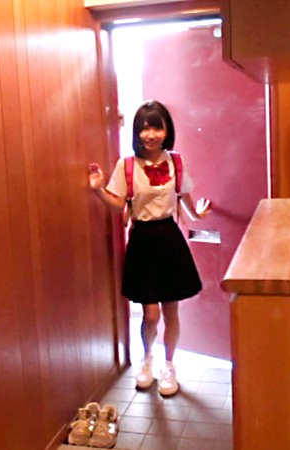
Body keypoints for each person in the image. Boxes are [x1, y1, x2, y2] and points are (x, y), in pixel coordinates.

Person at [88, 100, 211, 396]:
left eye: (157, 128)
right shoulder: (127, 165)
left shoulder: (176, 162)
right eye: (145, 129)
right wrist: (98, 190)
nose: (151, 135)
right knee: (150, 314)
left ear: (167, 131)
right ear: (137, 132)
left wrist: (199, 215)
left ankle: (169, 366)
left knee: (171, 313)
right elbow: (118, 205)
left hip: (169, 238)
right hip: (142, 240)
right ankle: (146, 360)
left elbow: (185, 200)